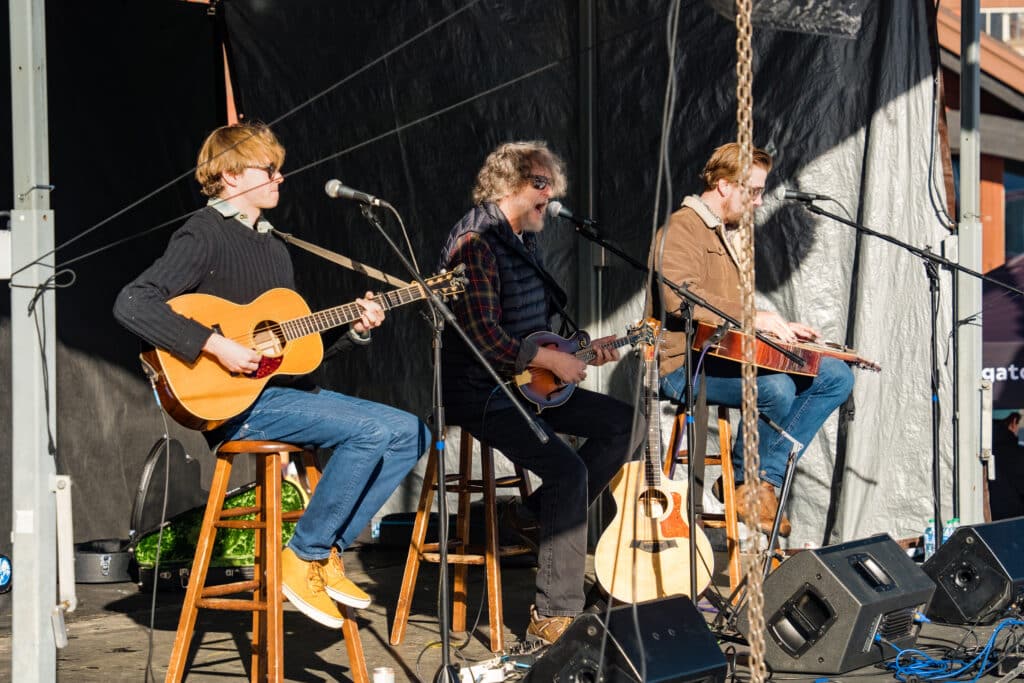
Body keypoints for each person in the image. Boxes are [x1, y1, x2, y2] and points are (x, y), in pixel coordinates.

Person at [114, 122, 429, 629]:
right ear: (232, 175)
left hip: (282, 397)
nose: (281, 177)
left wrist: (357, 329)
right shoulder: (204, 233)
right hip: (234, 407)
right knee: (371, 430)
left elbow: (297, 356)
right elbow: (133, 302)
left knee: (413, 432)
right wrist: (213, 344)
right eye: (270, 169)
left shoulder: (276, 247)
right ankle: (302, 554)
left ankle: (323, 552)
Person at [437, 141, 636, 645]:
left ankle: (529, 514)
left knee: (626, 425)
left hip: (526, 386)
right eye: (540, 185)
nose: (551, 195)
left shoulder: (521, 239)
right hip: (482, 390)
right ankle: (553, 619)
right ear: (508, 186)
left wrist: (579, 351)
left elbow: (530, 330)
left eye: (551, 185)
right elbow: (483, 337)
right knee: (568, 470)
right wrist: (551, 360)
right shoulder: (474, 243)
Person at [653, 142, 854, 538]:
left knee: (836, 376)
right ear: (725, 186)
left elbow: (731, 316)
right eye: (754, 191)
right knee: (776, 389)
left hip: (723, 354)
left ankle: (760, 481)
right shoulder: (682, 228)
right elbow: (679, 298)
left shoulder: (730, 232)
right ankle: (746, 481)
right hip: (684, 366)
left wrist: (778, 328)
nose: (760, 201)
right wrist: (755, 317)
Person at [989, 410, 1024, 520]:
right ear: (1013, 422)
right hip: (1016, 525)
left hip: (983, 526)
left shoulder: (974, 454)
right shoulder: (1019, 454)